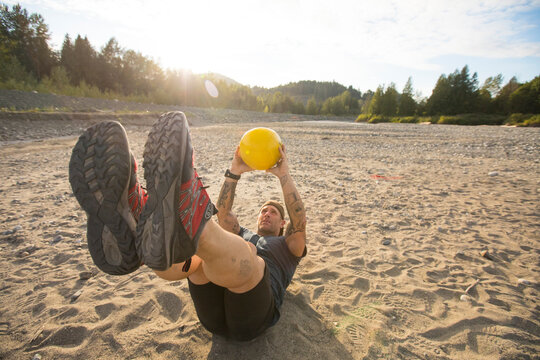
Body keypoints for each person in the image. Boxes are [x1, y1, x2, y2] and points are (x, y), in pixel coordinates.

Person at [68, 111, 307, 341]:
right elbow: (223, 213)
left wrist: (283, 174)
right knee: (206, 253)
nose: (266, 214)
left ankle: (184, 221)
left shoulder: (287, 246)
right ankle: (144, 238)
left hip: (253, 318)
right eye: (263, 210)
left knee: (250, 253)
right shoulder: (241, 232)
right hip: (211, 313)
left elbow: (299, 224)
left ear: (282, 223)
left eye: (273, 212)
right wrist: (234, 171)